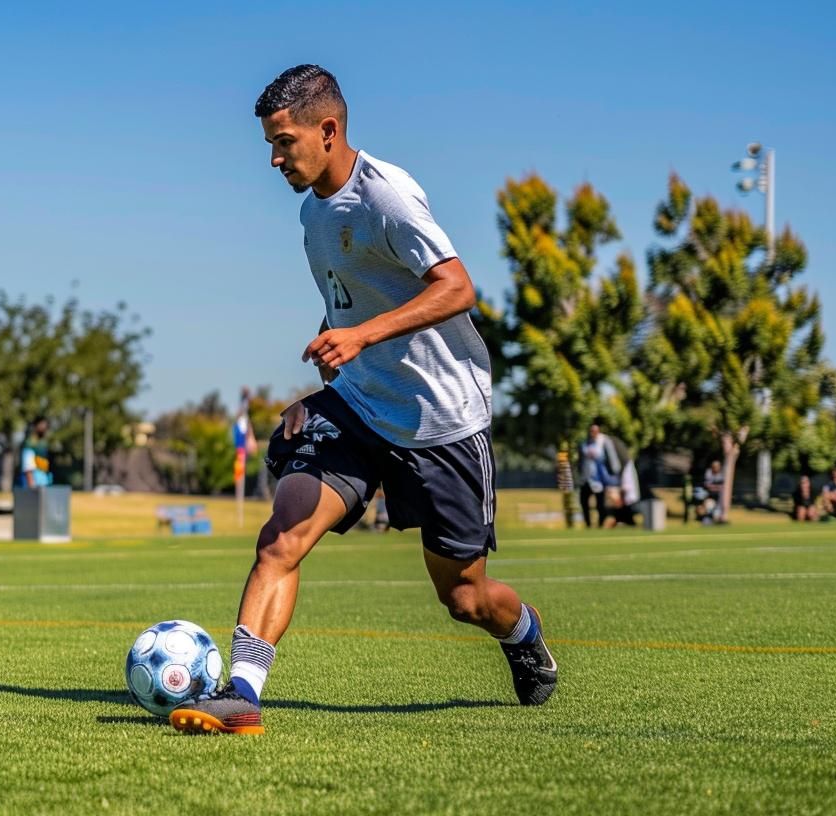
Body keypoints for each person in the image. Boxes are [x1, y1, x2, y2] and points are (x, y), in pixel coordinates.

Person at [170, 66, 555, 736]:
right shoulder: (312, 211)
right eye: (270, 143)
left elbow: (457, 288)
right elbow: (347, 309)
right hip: (358, 405)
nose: (274, 157)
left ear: (329, 129)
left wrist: (359, 337)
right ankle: (242, 694)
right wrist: (322, 389)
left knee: (465, 597)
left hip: (440, 419)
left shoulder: (389, 197)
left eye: (284, 141)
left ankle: (522, 633)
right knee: (280, 539)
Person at [579, 420, 623, 529]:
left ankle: (600, 524)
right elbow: (580, 461)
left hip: (600, 479)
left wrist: (613, 476)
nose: (593, 433)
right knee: (584, 502)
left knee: (600, 504)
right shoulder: (584, 444)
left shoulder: (603, 443)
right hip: (586, 479)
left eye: (595, 431)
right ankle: (588, 524)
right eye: (591, 431)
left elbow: (612, 460)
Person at [20, 417, 53, 488]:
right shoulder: (30, 443)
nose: (44, 428)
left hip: (43, 480)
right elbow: (28, 466)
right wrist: (31, 484)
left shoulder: (43, 442)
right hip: (33, 482)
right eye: (41, 425)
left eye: (45, 425)